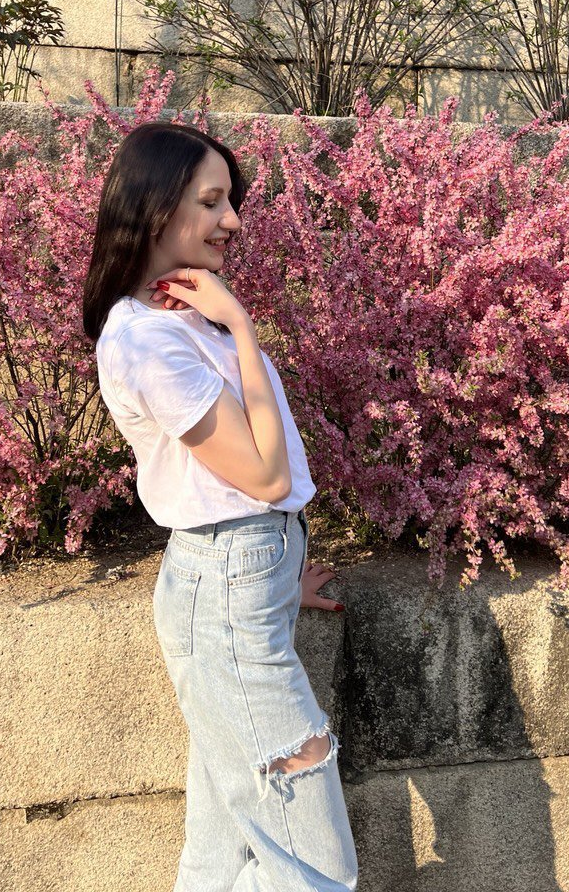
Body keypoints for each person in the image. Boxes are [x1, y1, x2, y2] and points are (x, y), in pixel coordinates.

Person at [82, 120, 359, 891]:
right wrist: (241, 325)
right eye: (211, 202)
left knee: (223, 853)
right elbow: (264, 478)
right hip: (225, 587)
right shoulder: (148, 342)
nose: (232, 220)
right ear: (155, 209)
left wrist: (280, 578)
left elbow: (250, 488)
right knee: (315, 871)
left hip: (243, 581)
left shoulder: (183, 321)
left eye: (230, 201)